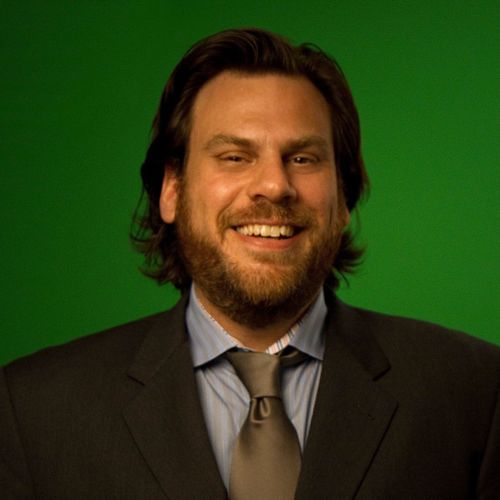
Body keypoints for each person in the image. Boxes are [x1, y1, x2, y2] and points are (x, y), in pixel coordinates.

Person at [1, 28, 499, 500]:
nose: (275, 185)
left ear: (344, 198)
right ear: (171, 190)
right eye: (235, 156)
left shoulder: (476, 393)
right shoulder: (33, 411)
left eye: (302, 158)